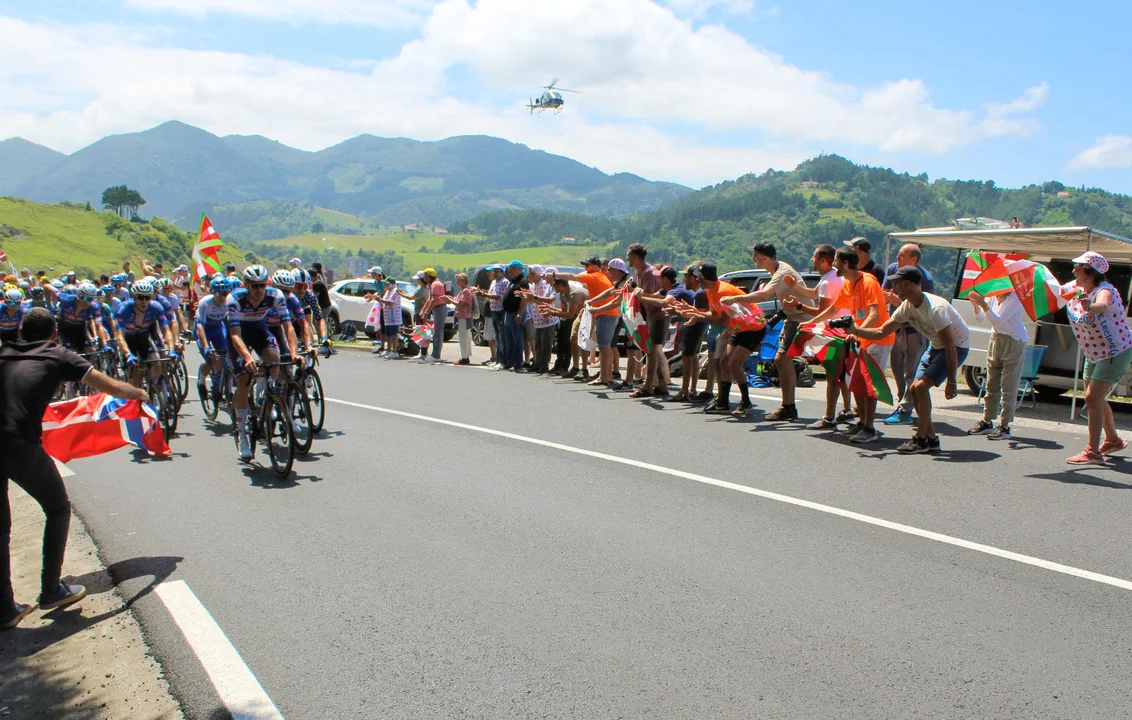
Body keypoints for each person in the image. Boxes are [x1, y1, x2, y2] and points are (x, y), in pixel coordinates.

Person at [1, 308, 148, 630]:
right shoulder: (57, 354)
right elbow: (109, 386)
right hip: (18, 444)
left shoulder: (5, 352)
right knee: (57, 509)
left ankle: (4, 608)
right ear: (54, 334)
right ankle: (51, 590)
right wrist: (138, 393)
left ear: (21, 334)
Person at [848, 266, 970, 454]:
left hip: (955, 347)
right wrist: (855, 330)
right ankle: (931, 439)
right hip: (936, 346)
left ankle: (920, 439)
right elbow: (882, 331)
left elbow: (950, 346)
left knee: (919, 387)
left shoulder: (936, 309)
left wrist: (952, 381)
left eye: (897, 283)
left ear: (909, 284)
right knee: (914, 389)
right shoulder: (907, 306)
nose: (893, 287)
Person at [800, 246, 893, 442]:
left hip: (878, 338)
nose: (833, 265)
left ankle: (869, 429)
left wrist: (857, 332)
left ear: (845, 263)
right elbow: (833, 309)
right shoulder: (849, 284)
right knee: (857, 382)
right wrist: (811, 323)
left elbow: (874, 314)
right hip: (860, 338)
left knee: (869, 384)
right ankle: (862, 423)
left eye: (836, 261)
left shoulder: (868, 282)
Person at [720, 242, 806, 421]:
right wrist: (780, 315)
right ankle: (789, 406)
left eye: (756, 256)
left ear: (765, 257)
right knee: (784, 360)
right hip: (793, 317)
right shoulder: (777, 270)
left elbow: (764, 295)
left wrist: (735, 299)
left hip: (802, 317)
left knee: (782, 359)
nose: (754, 259)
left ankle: (788, 407)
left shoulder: (781, 272)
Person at [1062, 252, 1132, 465]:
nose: (1073, 270)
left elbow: (1102, 305)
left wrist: (1090, 306)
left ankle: (1092, 451)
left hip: (1114, 351)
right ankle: (1112, 440)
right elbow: (1054, 292)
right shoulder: (1075, 288)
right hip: (1093, 352)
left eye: (1078, 267)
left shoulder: (1105, 290)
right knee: (1096, 398)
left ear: (1089, 272)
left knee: (1092, 397)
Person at [226, 265, 293, 460]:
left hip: (259, 329)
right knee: (244, 380)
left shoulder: (275, 295)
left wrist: (293, 353)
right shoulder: (235, 299)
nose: (259, 290)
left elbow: (287, 326)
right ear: (246, 285)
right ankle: (242, 435)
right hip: (239, 334)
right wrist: (248, 358)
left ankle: (267, 395)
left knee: (275, 358)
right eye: (254, 286)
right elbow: (235, 335)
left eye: (262, 285)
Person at [783, 244, 854, 427]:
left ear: (823, 261)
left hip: (833, 334)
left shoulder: (828, 282)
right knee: (840, 373)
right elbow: (813, 293)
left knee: (832, 375)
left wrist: (800, 307)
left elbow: (821, 312)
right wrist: (795, 287)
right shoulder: (831, 277)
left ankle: (829, 418)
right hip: (842, 332)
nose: (812, 261)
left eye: (814, 257)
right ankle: (847, 409)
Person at [882, 244, 935, 426]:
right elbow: (884, 290)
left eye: (902, 254)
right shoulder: (892, 269)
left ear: (913, 259)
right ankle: (902, 400)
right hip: (897, 327)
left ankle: (905, 410)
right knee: (897, 368)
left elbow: (922, 308)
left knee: (911, 372)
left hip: (915, 330)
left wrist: (898, 303)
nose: (897, 256)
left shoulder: (925, 279)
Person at [966, 287, 1027, 441]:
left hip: (1014, 340)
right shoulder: (993, 296)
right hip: (996, 338)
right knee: (991, 383)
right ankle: (987, 421)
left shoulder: (1015, 297)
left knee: (1008, 385)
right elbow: (981, 318)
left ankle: (1004, 426)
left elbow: (998, 320)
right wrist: (976, 306)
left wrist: (983, 304)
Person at [557, 257, 615, 385]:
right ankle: (606, 376)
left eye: (587, 265)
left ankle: (604, 376)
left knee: (604, 346)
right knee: (603, 345)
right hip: (598, 311)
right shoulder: (598, 276)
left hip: (604, 313)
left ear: (595, 266)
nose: (585, 268)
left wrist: (554, 274)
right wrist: (591, 304)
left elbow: (572, 276)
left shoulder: (595, 276)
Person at [625, 244, 667, 396]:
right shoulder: (639, 272)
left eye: (629, 256)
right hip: (650, 314)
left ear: (636, 257)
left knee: (651, 351)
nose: (627, 259)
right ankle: (662, 385)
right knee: (653, 351)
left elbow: (647, 296)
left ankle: (648, 387)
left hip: (657, 314)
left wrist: (635, 293)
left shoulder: (649, 273)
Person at [499, 261, 530, 373]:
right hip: (509, 313)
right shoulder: (513, 281)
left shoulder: (523, 282)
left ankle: (518, 364)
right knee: (509, 339)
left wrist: (519, 313)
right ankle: (511, 362)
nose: (509, 271)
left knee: (517, 339)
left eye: (511, 269)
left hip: (516, 312)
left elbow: (524, 299)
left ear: (517, 269)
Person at [418, 268, 448, 363]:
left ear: (429, 276)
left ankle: (436, 355)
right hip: (437, 308)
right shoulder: (433, 284)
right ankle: (434, 354)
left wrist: (426, 312)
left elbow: (433, 300)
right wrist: (423, 310)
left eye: (425, 276)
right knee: (436, 331)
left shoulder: (435, 284)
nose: (424, 278)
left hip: (439, 307)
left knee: (438, 332)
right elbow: (430, 299)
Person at [446, 273, 474, 366]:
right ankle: (465, 356)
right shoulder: (463, 291)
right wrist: (450, 298)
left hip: (464, 316)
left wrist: (449, 300)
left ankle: (464, 358)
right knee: (465, 337)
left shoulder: (465, 291)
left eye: (458, 281)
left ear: (463, 281)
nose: (456, 282)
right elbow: (458, 301)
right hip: (463, 316)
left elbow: (459, 304)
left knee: (463, 338)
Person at [376, 278, 403, 358]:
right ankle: (388, 350)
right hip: (387, 317)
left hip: (393, 316)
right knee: (388, 335)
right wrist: (378, 299)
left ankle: (394, 351)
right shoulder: (388, 291)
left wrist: (380, 300)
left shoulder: (395, 292)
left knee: (393, 335)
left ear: (391, 284)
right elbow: (384, 301)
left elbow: (391, 303)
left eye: (387, 283)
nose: (385, 285)